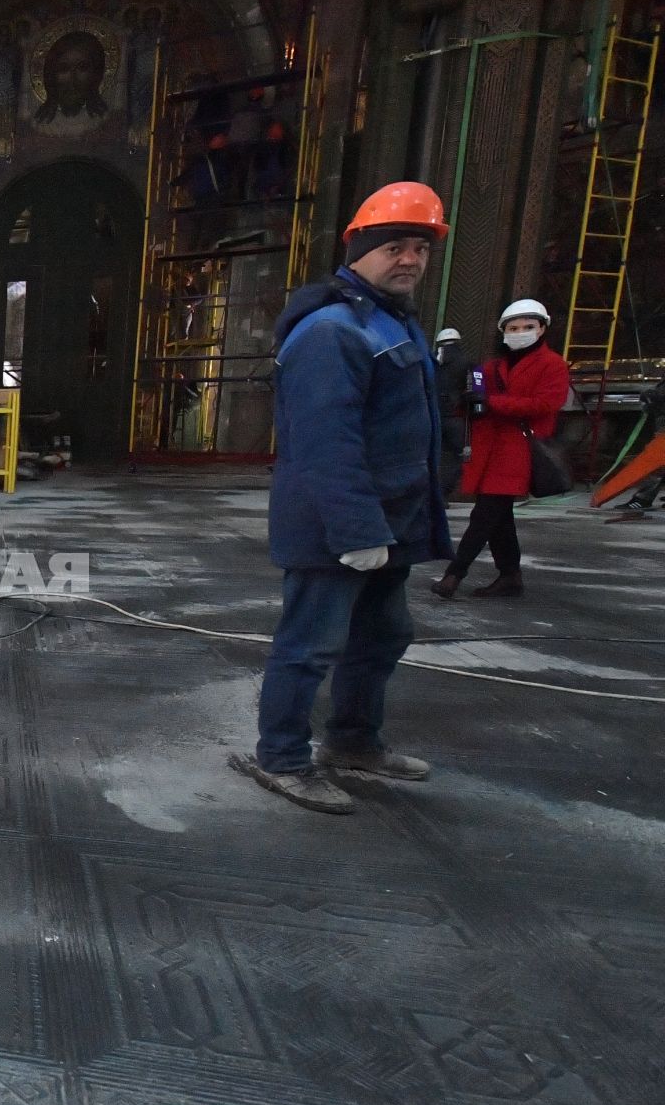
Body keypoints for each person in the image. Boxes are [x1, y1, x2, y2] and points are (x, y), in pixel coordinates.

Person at [235, 181, 453, 815]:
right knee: (310, 646)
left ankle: (354, 741)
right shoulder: (333, 330)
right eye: (394, 246)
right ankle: (282, 757)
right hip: (339, 526)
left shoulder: (391, 323)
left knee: (383, 635)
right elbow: (325, 444)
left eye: (419, 247)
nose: (409, 258)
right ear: (358, 247)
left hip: (389, 521)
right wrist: (357, 531)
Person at [431, 299, 570, 599]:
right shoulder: (491, 368)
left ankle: (454, 574)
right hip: (489, 447)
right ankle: (510, 575)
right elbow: (474, 401)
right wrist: (467, 406)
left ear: (542, 328)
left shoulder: (552, 365)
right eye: (513, 327)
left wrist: (492, 403)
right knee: (499, 519)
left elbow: (546, 403)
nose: (520, 332)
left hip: (517, 450)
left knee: (485, 515)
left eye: (528, 327)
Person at [433, 327, 474, 495]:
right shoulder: (468, 362)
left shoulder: (429, 361)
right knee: (457, 456)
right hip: (456, 416)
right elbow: (478, 391)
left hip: (432, 415)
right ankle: (442, 493)